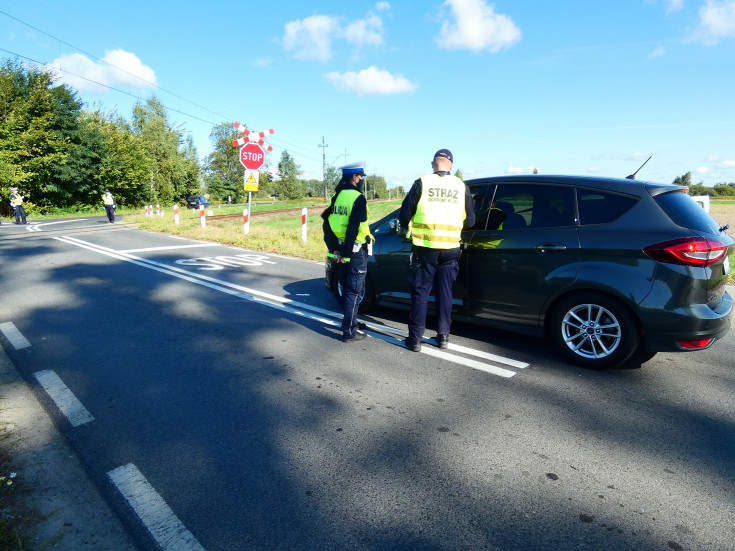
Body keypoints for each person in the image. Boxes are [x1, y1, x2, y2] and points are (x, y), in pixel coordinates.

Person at [398, 149, 475, 352]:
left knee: (421, 293)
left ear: (433, 165)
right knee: (445, 293)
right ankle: (443, 337)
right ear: (450, 166)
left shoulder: (422, 182)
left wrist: (408, 226)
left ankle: (415, 340)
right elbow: (472, 220)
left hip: (426, 248)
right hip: (450, 248)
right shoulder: (460, 186)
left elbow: (404, 215)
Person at [322, 161, 373, 343]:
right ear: (354, 177)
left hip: (341, 249)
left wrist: (335, 249)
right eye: (360, 177)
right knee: (354, 290)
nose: (361, 180)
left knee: (346, 287)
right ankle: (349, 330)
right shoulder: (357, 198)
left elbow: (326, 225)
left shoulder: (336, 198)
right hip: (355, 250)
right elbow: (353, 227)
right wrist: (346, 253)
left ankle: (351, 321)